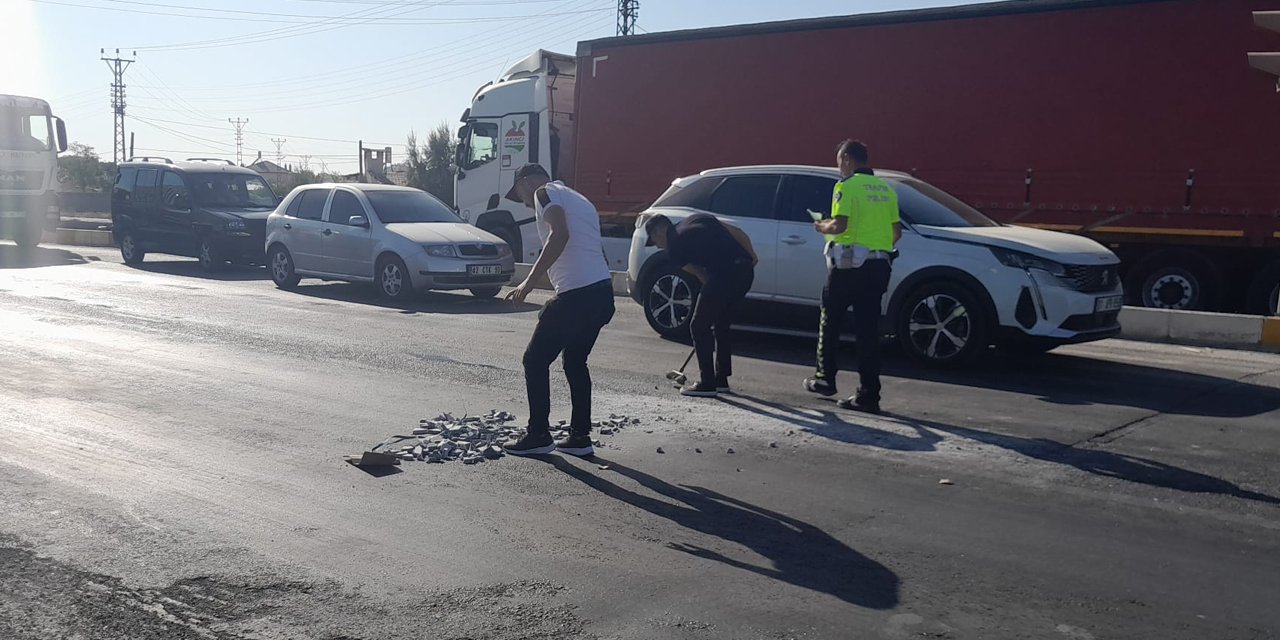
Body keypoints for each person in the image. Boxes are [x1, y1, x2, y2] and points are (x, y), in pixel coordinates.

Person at [502, 163, 615, 457]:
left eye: (521, 196)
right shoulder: (580, 199)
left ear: (525, 183)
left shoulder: (543, 193)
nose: (526, 204)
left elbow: (560, 233)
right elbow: (596, 248)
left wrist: (528, 283)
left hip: (577, 296)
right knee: (575, 361)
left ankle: (538, 434)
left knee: (534, 360)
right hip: (601, 294)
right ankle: (580, 437)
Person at [803, 140, 901, 414]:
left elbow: (840, 224)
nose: (838, 166)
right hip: (879, 266)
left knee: (829, 320)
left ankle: (824, 379)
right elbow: (896, 233)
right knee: (867, 331)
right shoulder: (886, 189)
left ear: (847, 158)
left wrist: (822, 225)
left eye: (838, 160)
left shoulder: (845, 187)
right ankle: (869, 395)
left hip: (848, 267)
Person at [644, 213, 757, 397]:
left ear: (660, 230)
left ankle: (708, 383)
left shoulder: (674, 247)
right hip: (745, 272)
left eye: (654, 239)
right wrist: (751, 255)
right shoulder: (695, 218)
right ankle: (721, 380)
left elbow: (700, 275)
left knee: (698, 326)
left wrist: (711, 294)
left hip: (724, 275)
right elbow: (736, 231)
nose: (657, 245)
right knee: (721, 324)